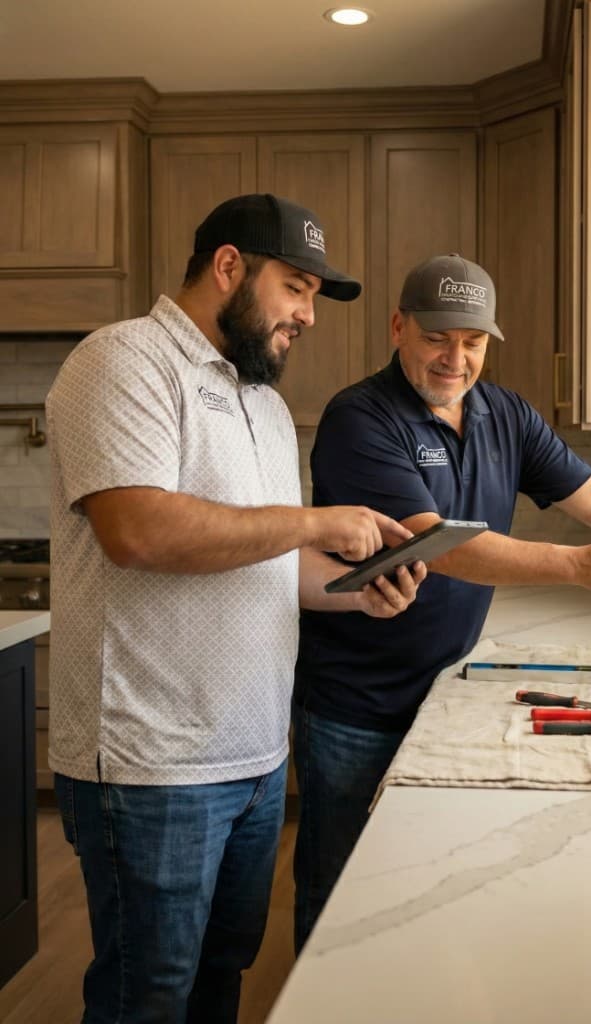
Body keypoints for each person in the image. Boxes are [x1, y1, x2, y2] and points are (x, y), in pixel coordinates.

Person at [292, 252, 591, 951]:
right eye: (437, 337)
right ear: (398, 328)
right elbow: (436, 544)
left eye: (473, 341)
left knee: (418, 893)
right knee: (336, 894)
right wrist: (577, 565)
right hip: (353, 707)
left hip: (442, 692)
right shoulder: (359, 418)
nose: (456, 358)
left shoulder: (503, 414)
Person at [45, 193, 426, 1023]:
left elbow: (263, 562)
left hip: (253, 756)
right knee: (145, 995)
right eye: (295, 287)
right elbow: (137, 531)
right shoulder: (123, 362)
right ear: (228, 268)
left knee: (220, 980)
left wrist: (360, 592)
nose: (307, 315)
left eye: (314, 296)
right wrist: (317, 520)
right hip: (151, 761)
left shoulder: (260, 401)